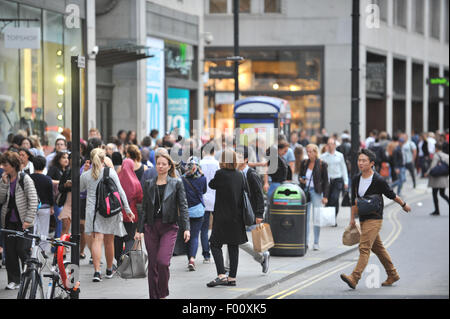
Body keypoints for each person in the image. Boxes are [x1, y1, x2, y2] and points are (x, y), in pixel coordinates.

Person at [340, 149, 411, 289]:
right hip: (363, 218)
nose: (360, 163)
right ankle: (393, 274)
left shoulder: (378, 180)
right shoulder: (356, 179)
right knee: (378, 249)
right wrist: (352, 219)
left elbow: (391, 194)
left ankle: (354, 278)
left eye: (364, 160)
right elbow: (354, 200)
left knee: (364, 248)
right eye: (359, 160)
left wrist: (403, 204)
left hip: (375, 218)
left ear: (371, 163)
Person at [135, 152, 190, 299]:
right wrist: (139, 230)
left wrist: (187, 228)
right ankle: (154, 296)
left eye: (163, 164)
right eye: (158, 163)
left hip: (169, 227)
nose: (160, 166)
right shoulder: (149, 183)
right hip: (151, 227)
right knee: (153, 264)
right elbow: (145, 208)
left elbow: (183, 206)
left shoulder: (176, 183)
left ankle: (162, 293)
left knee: (163, 262)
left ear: (169, 166)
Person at [81, 148, 135, 282]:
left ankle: (97, 272)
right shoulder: (110, 172)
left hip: (93, 211)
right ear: (103, 159)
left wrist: (84, 171)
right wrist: (127, 210)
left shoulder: (87, 175)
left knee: (97, 240)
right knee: (109, 240)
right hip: (110, 209)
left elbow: (80, 189)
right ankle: (109, 269)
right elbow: (120, 191)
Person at [206, 149, 247, 287]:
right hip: (236, 218)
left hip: (222, 217)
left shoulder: (220, 174)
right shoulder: (240, 175)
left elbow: (212, 185)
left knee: (215, 244)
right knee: (233, 246)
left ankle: (222, 275)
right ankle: (232, 278)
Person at [226, 146, 269, 273]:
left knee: (236, 240)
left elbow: (259, 195)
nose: (236, 159)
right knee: (232, 238)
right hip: (236, 212)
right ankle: (228, 268)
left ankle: (261, 257)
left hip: (248, 212)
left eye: (239, 157)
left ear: (245, 160)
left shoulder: (251, 174)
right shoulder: (233, 172)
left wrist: (259, 213)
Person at [0, 151, 39, 289]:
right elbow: (1, 199)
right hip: (9, 221)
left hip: (24, 221)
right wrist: (4, 184)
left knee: (22, 249)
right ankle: (14, 280)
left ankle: (29, 275)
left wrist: (28, 219)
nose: (3, 167)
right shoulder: (4, 179)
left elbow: (33, 199)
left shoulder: (25, 179)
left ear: (13, 165)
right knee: (10, 251)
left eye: (5, 164)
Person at [299, 144, 329, 250]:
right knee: (305, 218)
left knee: (317, 217)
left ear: (316, 152)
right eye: (307, 151)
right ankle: (305, 242)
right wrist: (301, 179)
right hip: (306, 192)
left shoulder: (322, 164)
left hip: (316, 192)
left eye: (311, 151)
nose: (309, 153)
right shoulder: (304, 163)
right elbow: (300, 175)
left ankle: (316, 242)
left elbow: (326, 181)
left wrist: (325, 196)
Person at [181, 156, 207, 271]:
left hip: (186, 211)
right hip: (198, 210)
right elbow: (204, 191)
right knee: (195, 236)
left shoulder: (182, 178)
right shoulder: (202, 178)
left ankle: (189, 258)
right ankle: (192, 259)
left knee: (187, 235)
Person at [115, 158, 143, 265]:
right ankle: (125, 254)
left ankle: (118, 260)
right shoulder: (136, 182)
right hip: (132, 215)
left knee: (118, 238)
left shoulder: (117, 179)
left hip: (118, 214)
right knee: (130, 238)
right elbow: (140, 199)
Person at [199, 142, 220, 264]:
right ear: (213, 151)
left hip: (203, 198)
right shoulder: (217, 164)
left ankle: (206, 254)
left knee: (204, 228)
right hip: (216, 198)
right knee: (217, 227)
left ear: (203, 152)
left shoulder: (200, 164)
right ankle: (216, 249)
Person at [320, 138, 348, 226]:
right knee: (327, 200)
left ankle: (333, 217)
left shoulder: (340, 155)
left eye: (332, 144)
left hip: (337, 180)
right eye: (328, 144)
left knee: (334, 198)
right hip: (327, 181)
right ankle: (330, 219)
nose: (330, 146)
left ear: (335, 145)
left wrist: (346, 181)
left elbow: (344, 168)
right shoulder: (323, 156)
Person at [30, 155, 54, 253]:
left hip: (32, 207)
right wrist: (52, 206)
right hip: (45, 206)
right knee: (44, 229)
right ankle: (42, 250)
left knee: (33, 228)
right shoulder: (47, 179)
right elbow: (50, 194)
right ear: (44, 166)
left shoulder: (29, 177)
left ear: (33, 165)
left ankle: (31, 247)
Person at [47, 151, 70, 241]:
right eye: (63, 157)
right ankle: (57, 246)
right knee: (60, 221)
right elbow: (48, 179)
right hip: (57, 199)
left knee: (64, 223)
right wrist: (60, 183)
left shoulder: (67, 170)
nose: (66, 160)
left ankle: (60, 245)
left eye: (67, 158)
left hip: (65, 199)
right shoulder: (54, 168)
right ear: (58, 159)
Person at [425, 143, 449, 216]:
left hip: (436, 179)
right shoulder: (446, 156)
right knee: (442, 194)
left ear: (436, 148)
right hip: (444, 178)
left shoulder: (436, 155)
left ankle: (437, 210)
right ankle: (437, 210)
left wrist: (427, 173)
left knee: (434, 194)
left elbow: (432, 166)